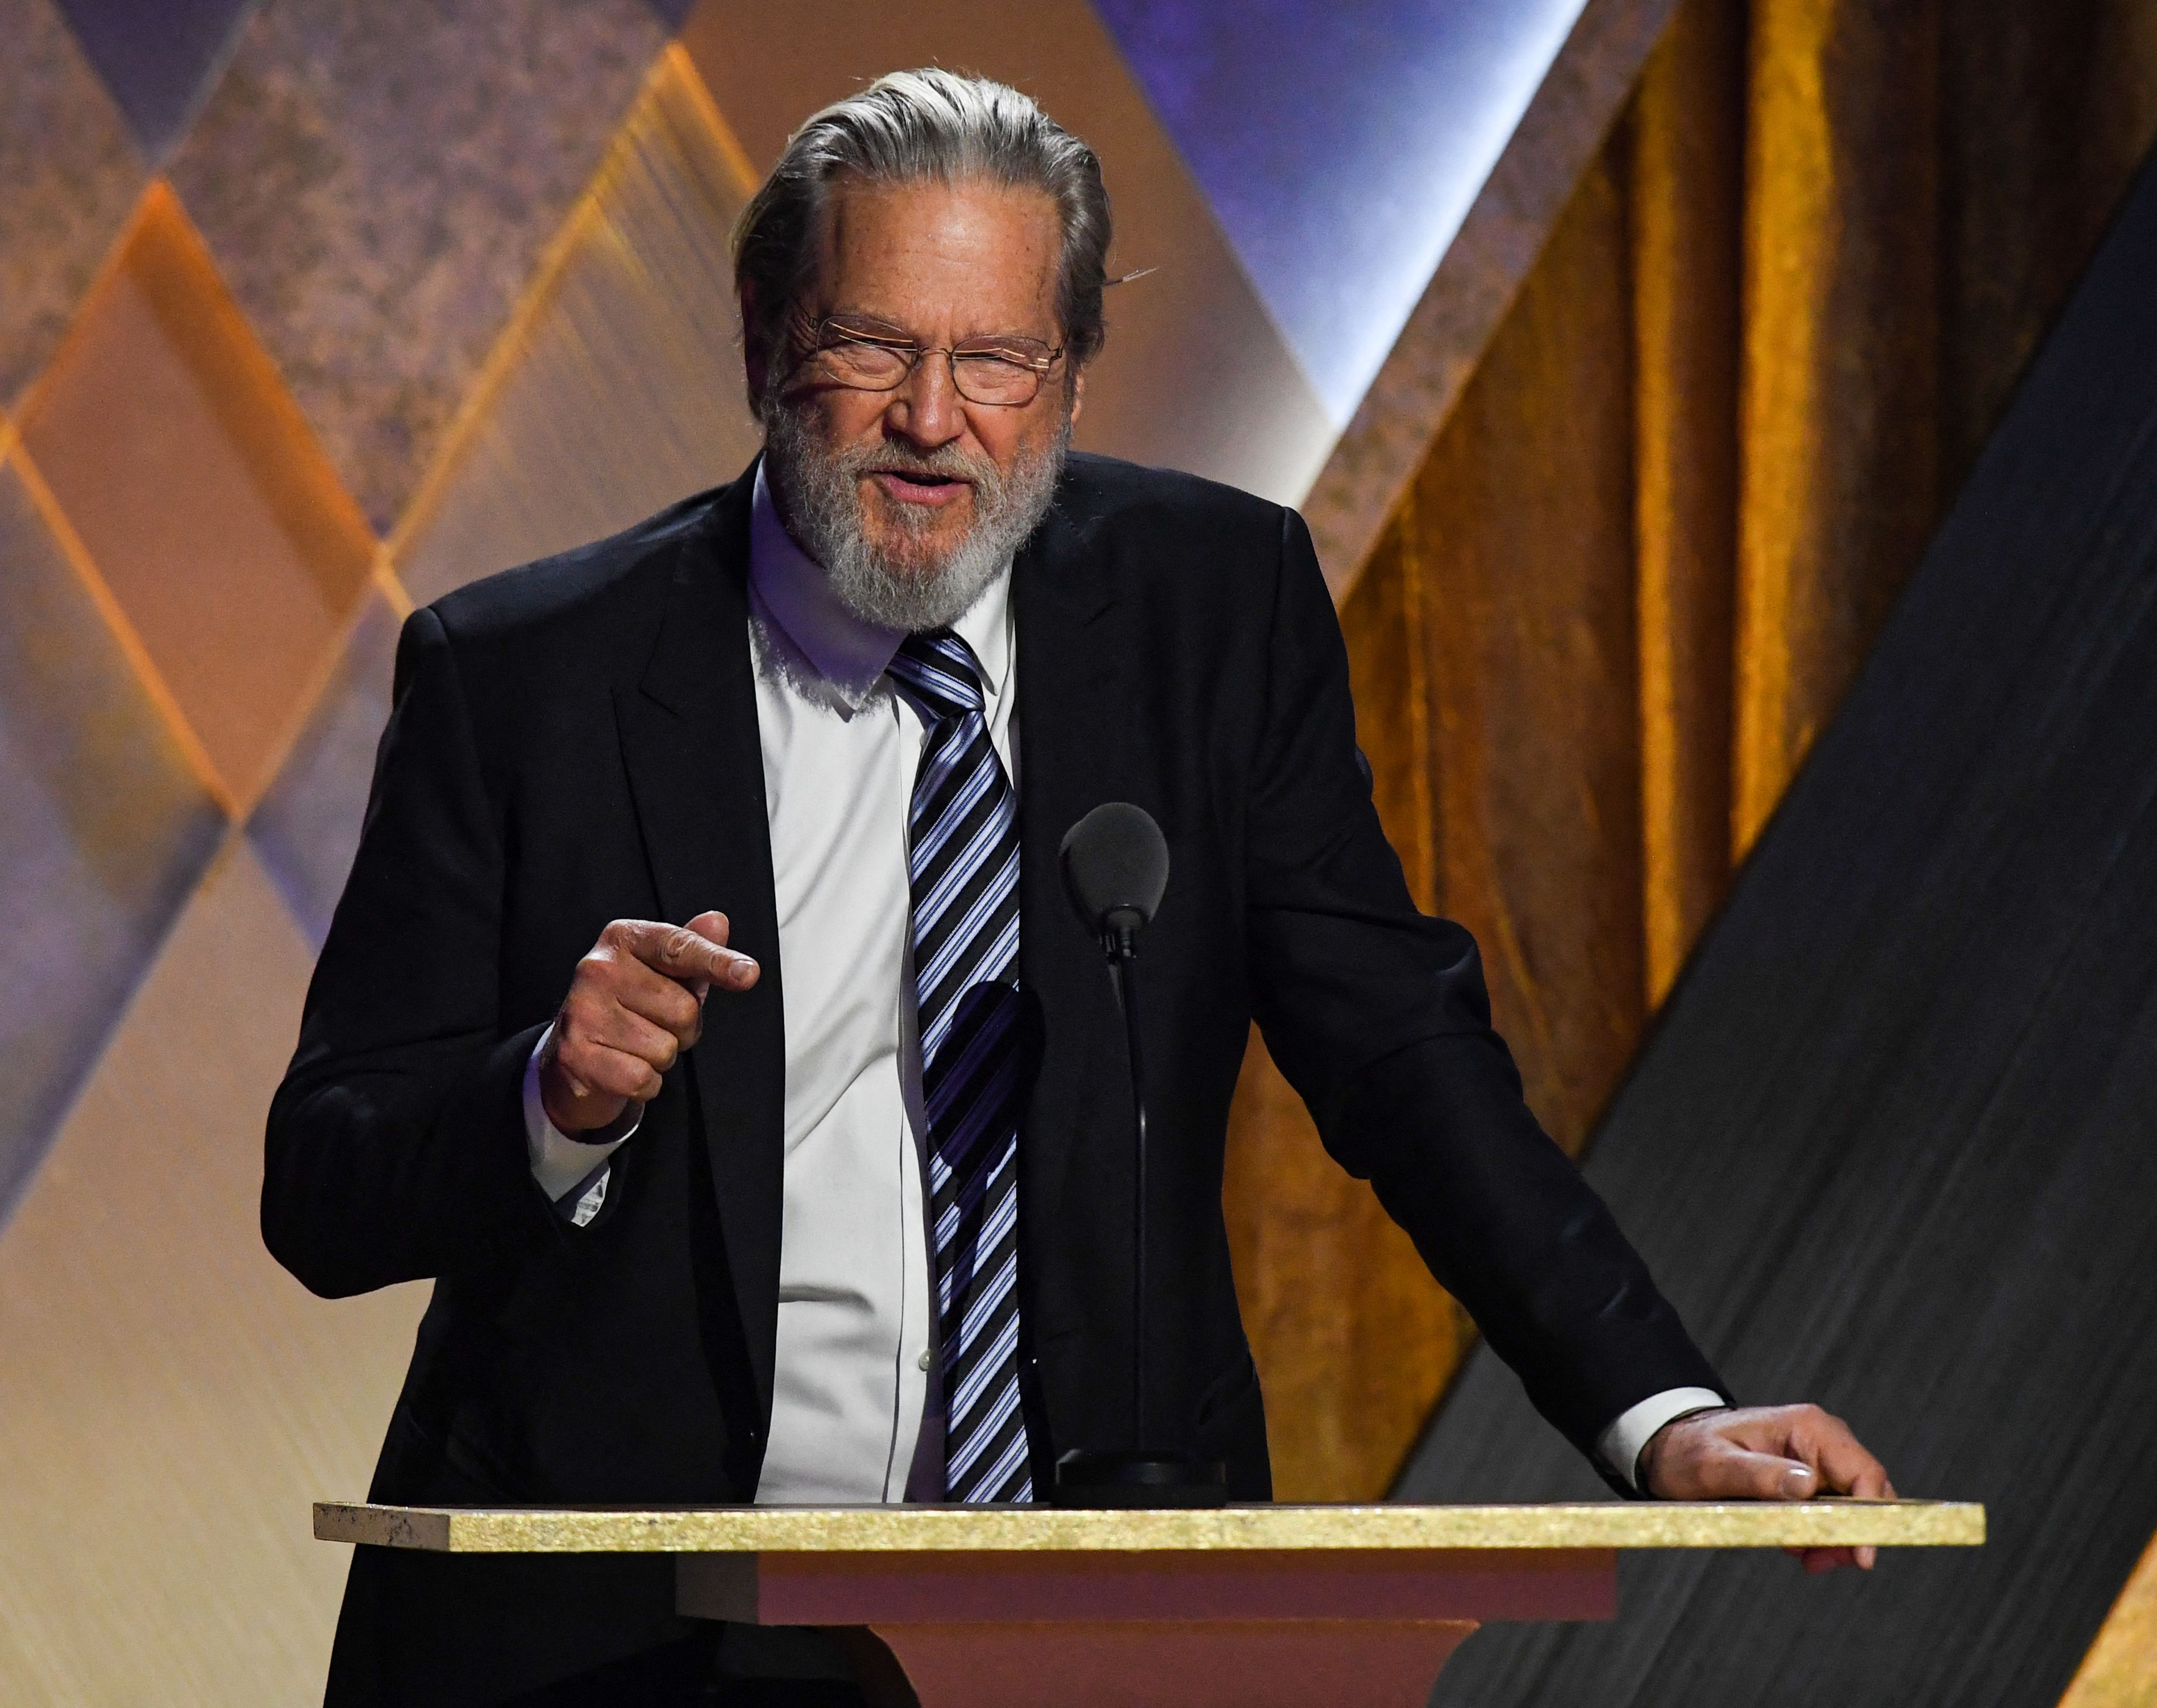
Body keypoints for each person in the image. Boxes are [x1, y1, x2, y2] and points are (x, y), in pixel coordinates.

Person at [266, 67, 1892, 1707]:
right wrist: (552, 1100)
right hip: (631, 1643)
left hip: (1093, 1627)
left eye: (996, 360)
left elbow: (1398, 1054)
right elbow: (325, 1188)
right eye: (870, 346)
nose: (931, 418)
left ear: (1072, 380)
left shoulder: (1214, 605)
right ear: (765, 339)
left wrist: (1659, 1414)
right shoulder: (527, 674)